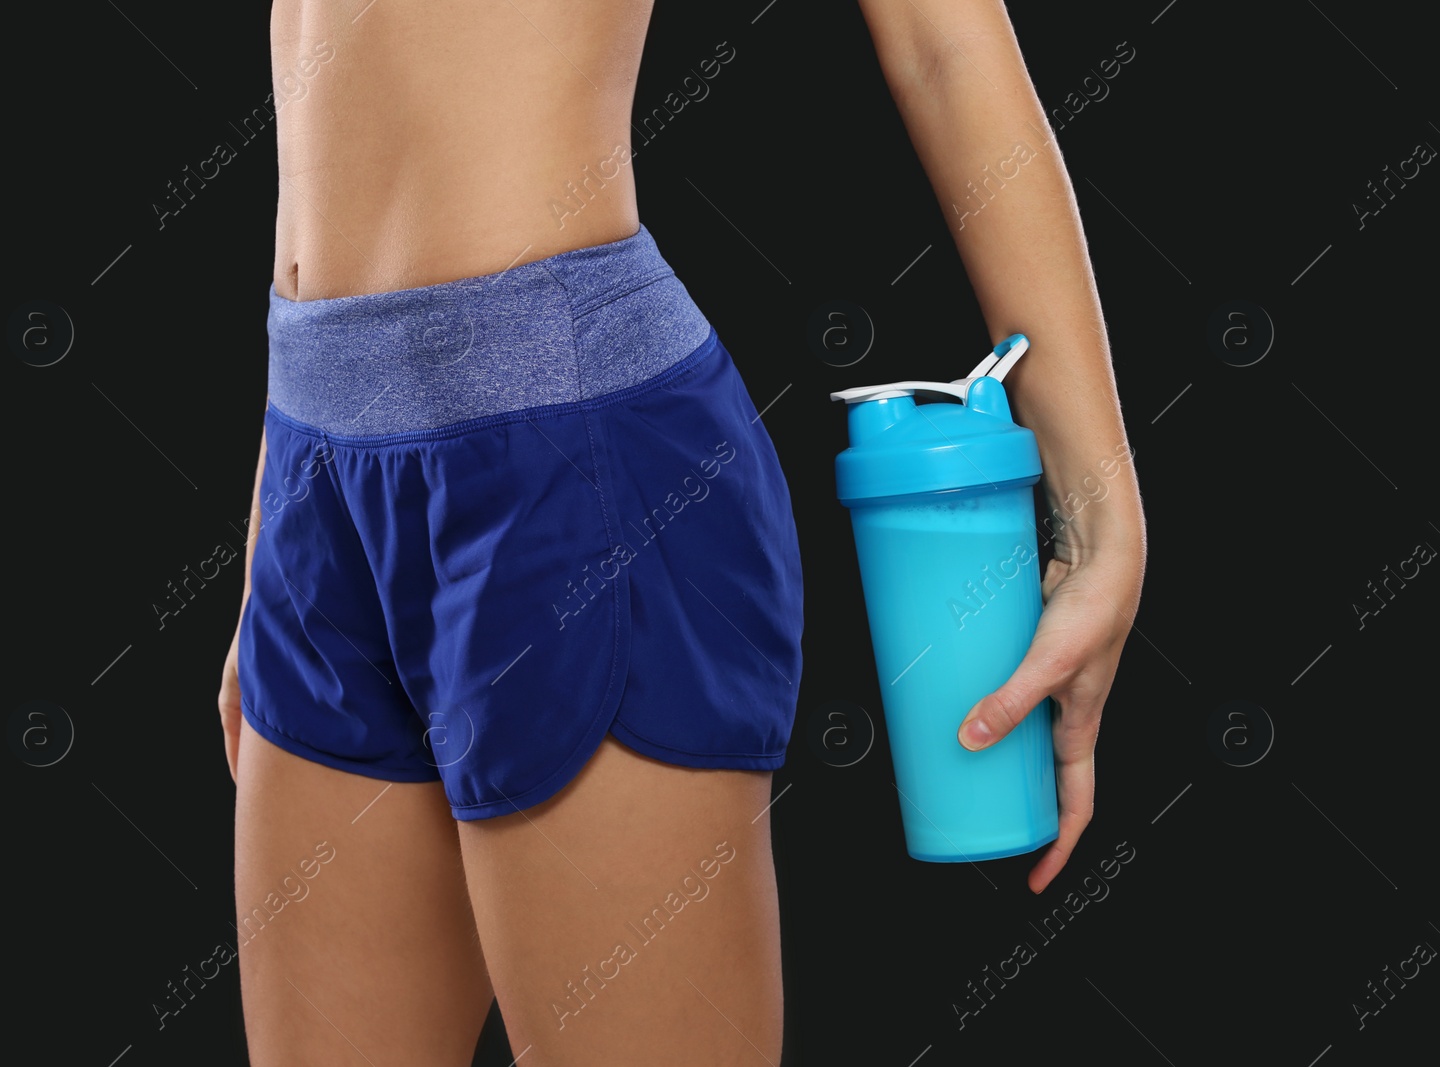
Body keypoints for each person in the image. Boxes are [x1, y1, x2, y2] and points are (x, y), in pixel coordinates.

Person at [215, 1, 1147, 1063]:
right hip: (317, 458)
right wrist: (272, 534)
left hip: (575, 470)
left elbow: (943, 45)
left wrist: (1103, 510)